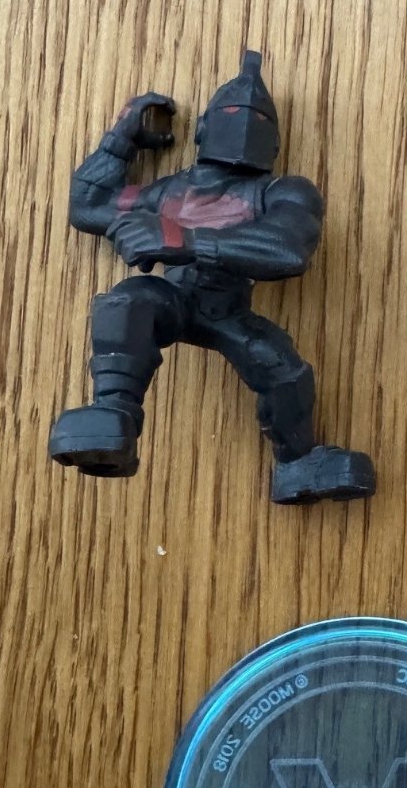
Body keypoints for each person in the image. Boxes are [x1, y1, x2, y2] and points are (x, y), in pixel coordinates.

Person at [48, 51, 375, 504]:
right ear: (203, 129)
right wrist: (120, 139)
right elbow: (88, 206)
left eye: (258, 120)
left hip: (228, 311)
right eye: (233, 115)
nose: (243, 127)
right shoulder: (169, 191)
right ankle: (112, 416)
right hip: (171, 299)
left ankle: (297, 464)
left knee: (283, 370)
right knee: (128, 301)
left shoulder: (280, 191)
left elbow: (288, 248)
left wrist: (185, 239)